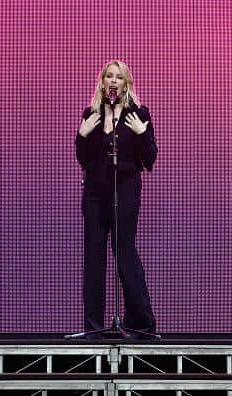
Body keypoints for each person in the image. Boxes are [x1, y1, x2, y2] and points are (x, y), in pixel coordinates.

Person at [75, 60, 157, 338]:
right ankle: (93, 328)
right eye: (108, 77)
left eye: (118, 77)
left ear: (126, 84)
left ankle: (141, 325)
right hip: (95, 193)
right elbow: (84, 160)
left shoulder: (138, 114)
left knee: (125, 253)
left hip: (126, 189)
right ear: (102, 83)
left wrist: (143, 134)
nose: (113, 81)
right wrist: (81, 136)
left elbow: (150, 160)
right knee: (94, 257)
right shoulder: (92, 113)